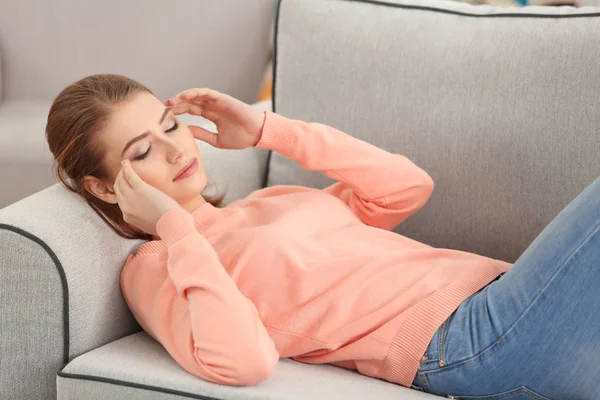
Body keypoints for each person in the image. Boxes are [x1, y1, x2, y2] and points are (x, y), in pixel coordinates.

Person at [46, 74, 600, 399]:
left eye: (168, 125)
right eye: (140, 151)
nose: (175, 150)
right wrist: (173, 223)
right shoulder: (157, 262)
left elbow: (406, 186)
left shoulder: (269, 203)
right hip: (471, 340)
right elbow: (244, 361)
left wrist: (268, 130)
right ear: (106, 186)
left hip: (511, 299)